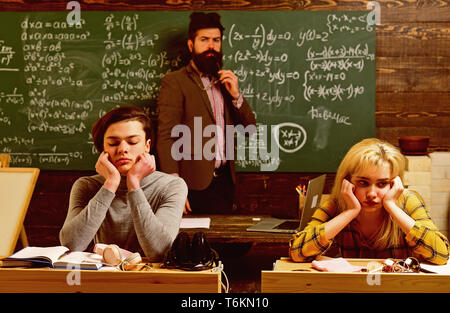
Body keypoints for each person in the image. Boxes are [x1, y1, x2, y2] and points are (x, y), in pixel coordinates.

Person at [289, 138, 449, 265]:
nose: (372, 194)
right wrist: (349, 213)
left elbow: (441, 254)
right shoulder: (336, 205)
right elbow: (297, 251)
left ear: (394, 183)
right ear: (347, 181)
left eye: (382, 183)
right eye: (363, 183)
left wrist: (392, 206)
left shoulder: (408, 201)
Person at [157, 12, 256, 214]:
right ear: (191, 45)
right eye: (204, 40)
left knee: (232, 244)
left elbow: (250, 130)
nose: (211, 46)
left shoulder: (226, 82)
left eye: (216, 40)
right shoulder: (175, 82)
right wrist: (173, 186)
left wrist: (236, 96)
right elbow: (166, 136)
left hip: (225, 183)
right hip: (191, 186)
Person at [59, 106, 188, 261]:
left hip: (153, 278)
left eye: (132, 142)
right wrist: (111, 183)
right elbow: (71, 245)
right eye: (113, 143)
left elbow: (159, 251)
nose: (123, 149)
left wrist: (133, 184)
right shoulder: (86, 186)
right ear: (103, 149)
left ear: (147, 146)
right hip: (104, 278)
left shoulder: (172, 186)